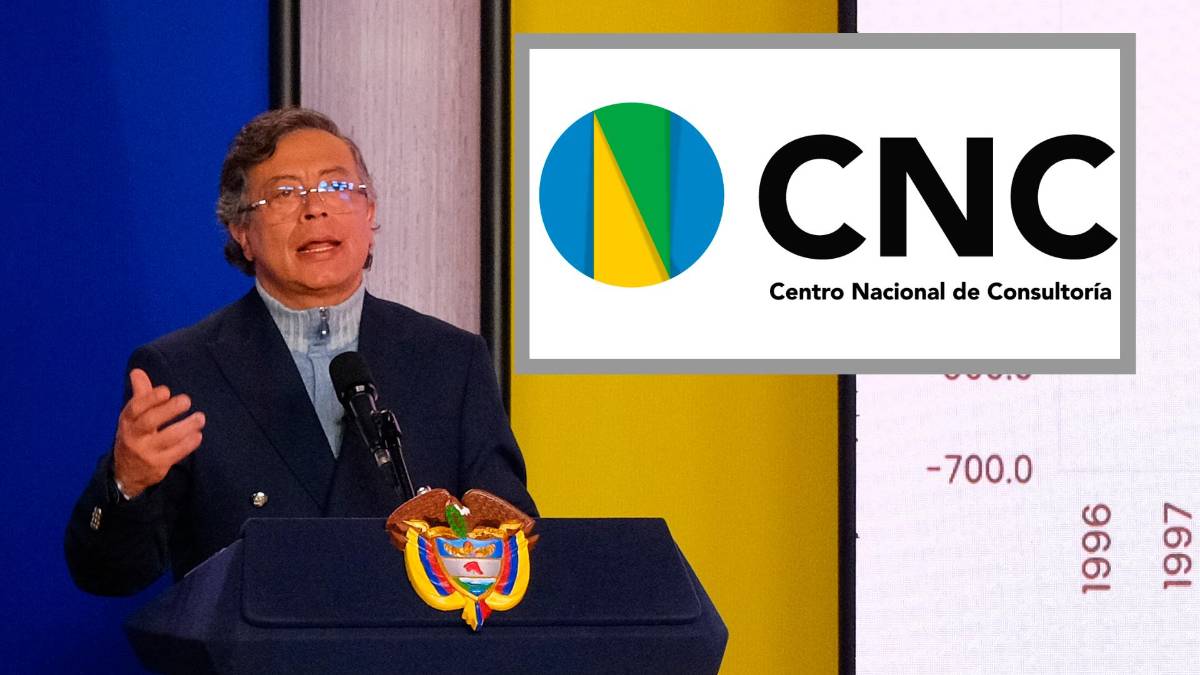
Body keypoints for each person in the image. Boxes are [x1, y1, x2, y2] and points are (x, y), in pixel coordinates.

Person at [65, 108, 537, 596]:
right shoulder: (182, 370)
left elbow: (510, 541)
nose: (315, 209)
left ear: (370, 212)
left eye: (336, 187)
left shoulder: (450, 360)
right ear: (242, 232)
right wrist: (127, 484)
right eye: (285, 193)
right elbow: (109, 574)